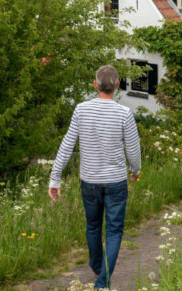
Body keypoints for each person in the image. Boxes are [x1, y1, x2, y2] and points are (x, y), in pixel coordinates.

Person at [48, 65, 141, 290]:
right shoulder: (124, 114)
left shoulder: (81, 110)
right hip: (116, 182)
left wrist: (55, 178)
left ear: (95, 84)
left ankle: (99, 270)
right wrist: (135, 170)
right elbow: (133, 150)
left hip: (89, 181)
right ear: (118, 86)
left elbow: (67, 145)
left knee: (93, 226)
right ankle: (102, 279)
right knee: (114, 230)